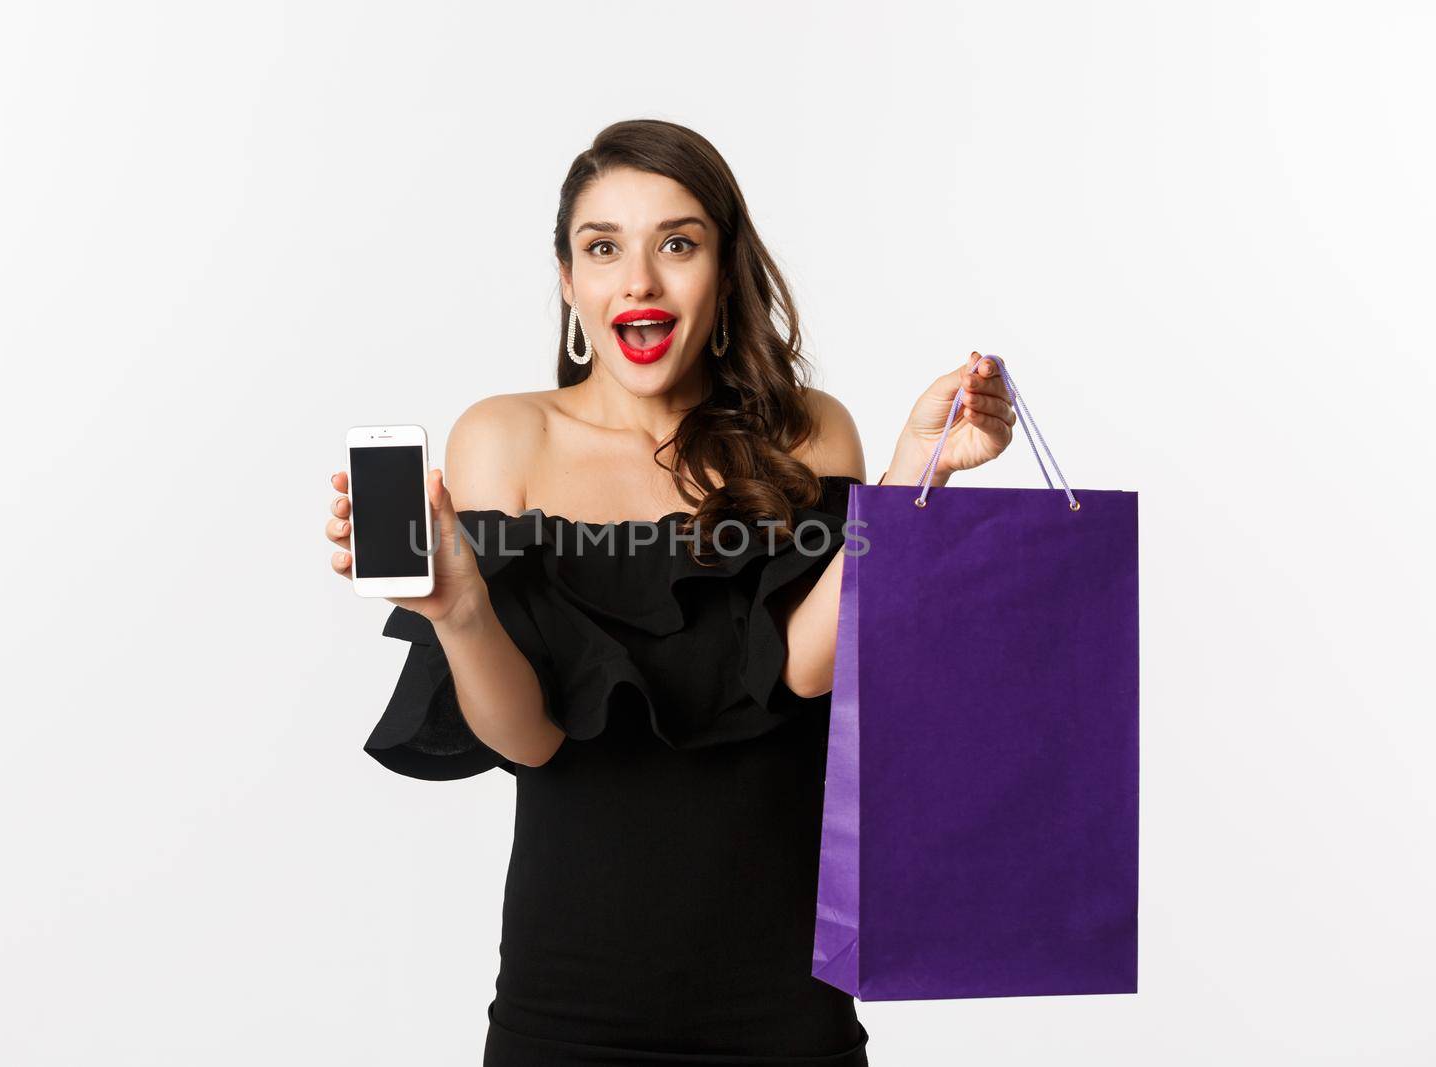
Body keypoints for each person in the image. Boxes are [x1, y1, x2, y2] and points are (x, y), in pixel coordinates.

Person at [325, 119, 1017, 1065]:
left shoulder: (810, 434)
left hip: (783, 1003)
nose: (638, 281)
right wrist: (458, 608)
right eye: (602, 248)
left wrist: (907, 478)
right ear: (568, 281)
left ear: (724, 271)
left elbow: (803, 671)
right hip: (567, 1005)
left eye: (677, 243)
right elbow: (529, 737)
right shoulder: (503, 439)